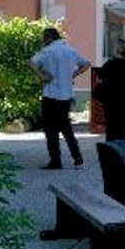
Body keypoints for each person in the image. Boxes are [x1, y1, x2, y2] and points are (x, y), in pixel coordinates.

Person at [28, 27, 89, 170]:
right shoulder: (70, 50)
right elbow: (86, 64)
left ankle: (56, 161)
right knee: (67, 129)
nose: (42, 41)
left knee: (51, 130)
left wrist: (42, 76)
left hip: (50, 95)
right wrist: (73, 74)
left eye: (43, 38)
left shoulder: (47, 51)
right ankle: (78, 158)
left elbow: (31, 62)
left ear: (48, 38)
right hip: (66, 96)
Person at [98, 38, 125, 141]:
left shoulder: (110, 63)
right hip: (124, 100)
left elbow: (100, 74)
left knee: (111, 127)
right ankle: (119, 150)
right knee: (121, 127)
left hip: (110, 100)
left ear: (116, 50)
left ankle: (110, 150)